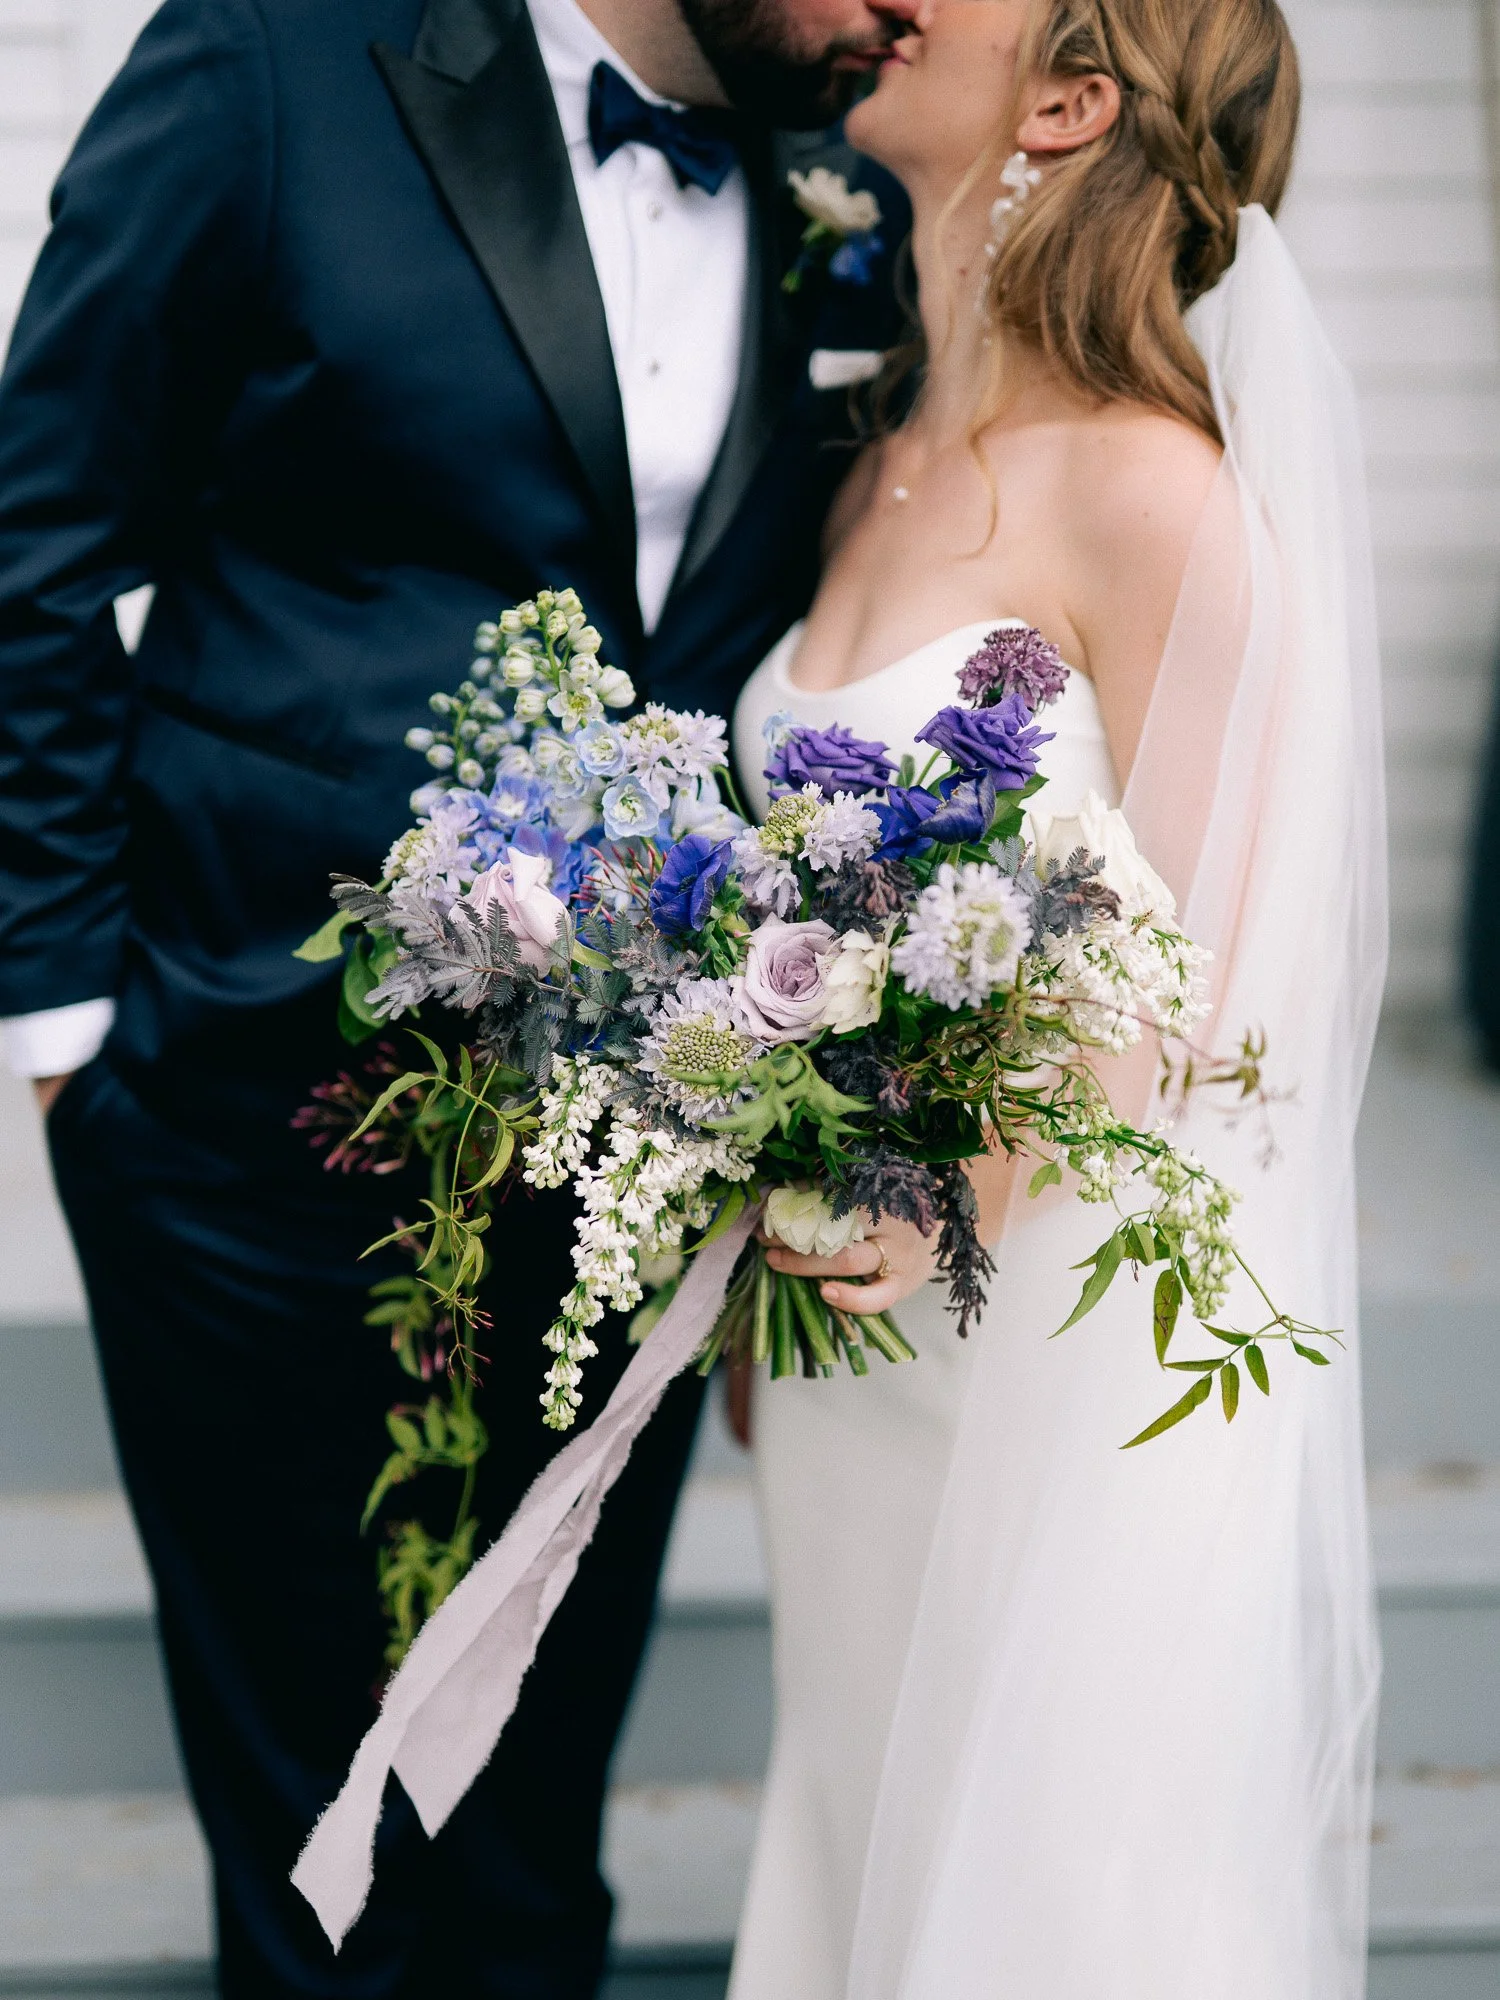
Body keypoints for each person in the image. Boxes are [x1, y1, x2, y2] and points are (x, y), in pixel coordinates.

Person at [0, 0, 919, 1990]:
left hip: (642, 1151)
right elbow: (36, 543)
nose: (911, 6)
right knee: (324, 1846)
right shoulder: (271, 61)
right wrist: (73, 1034)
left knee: (526, 1837)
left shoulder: (848, 166)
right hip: (248, 1103)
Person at [728, 0, 1385, 1994]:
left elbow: (1207, 969)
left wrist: (964, 1167)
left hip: (1049, 1360)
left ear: (1068, 100)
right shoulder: (870, 465)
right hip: (843, 1353)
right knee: (868, 1833)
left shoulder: (1155, 492)